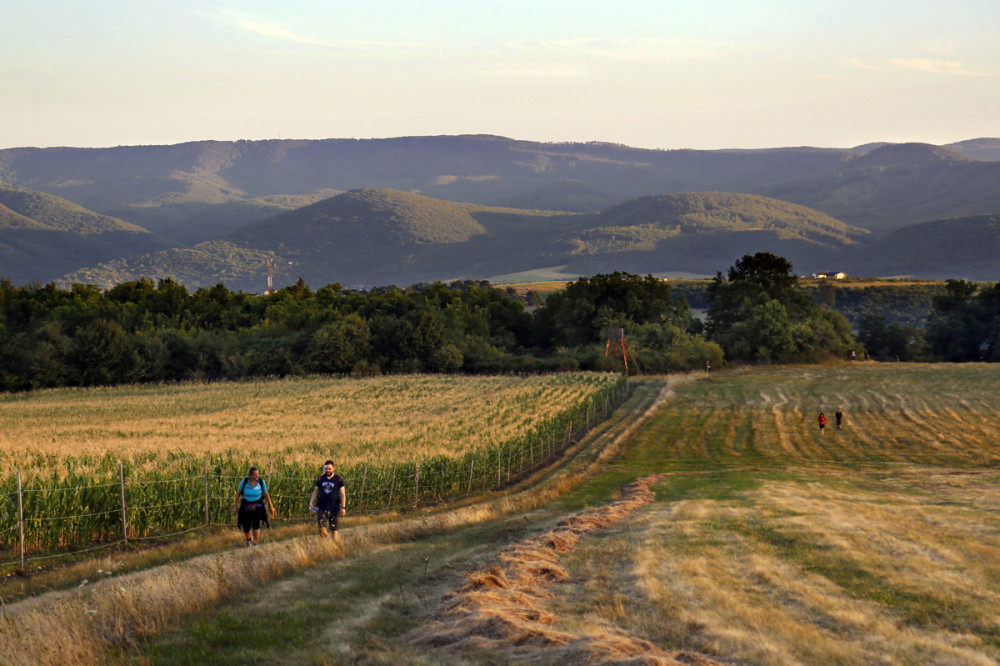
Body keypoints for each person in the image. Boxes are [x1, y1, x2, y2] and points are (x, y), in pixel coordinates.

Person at [233, 466, 275, 547]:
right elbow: (238, 493)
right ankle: (248, 539)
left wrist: (271, 506)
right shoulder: (244, 482)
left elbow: (266, 494)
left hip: (258, 504)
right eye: (255, 475)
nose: (257, 476)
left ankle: (256, 544)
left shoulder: (261, 482)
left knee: (256, 524)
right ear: (250, 475)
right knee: (246, 525)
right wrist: (235, 506)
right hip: (246, 504)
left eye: (258, 474)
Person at [309, 460, 346, 540]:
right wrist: (311, 502)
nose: (327, 470)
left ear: (333, 469)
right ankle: (324, 544)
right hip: (322, 507)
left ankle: (335, 545)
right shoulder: (321, 478)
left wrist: (343, 507)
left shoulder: (338, 479)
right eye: (326, 469)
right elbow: (316, 491)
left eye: (329, 469)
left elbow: (342, 493)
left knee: (334, 530)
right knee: (321, 528)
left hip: (334, 507)